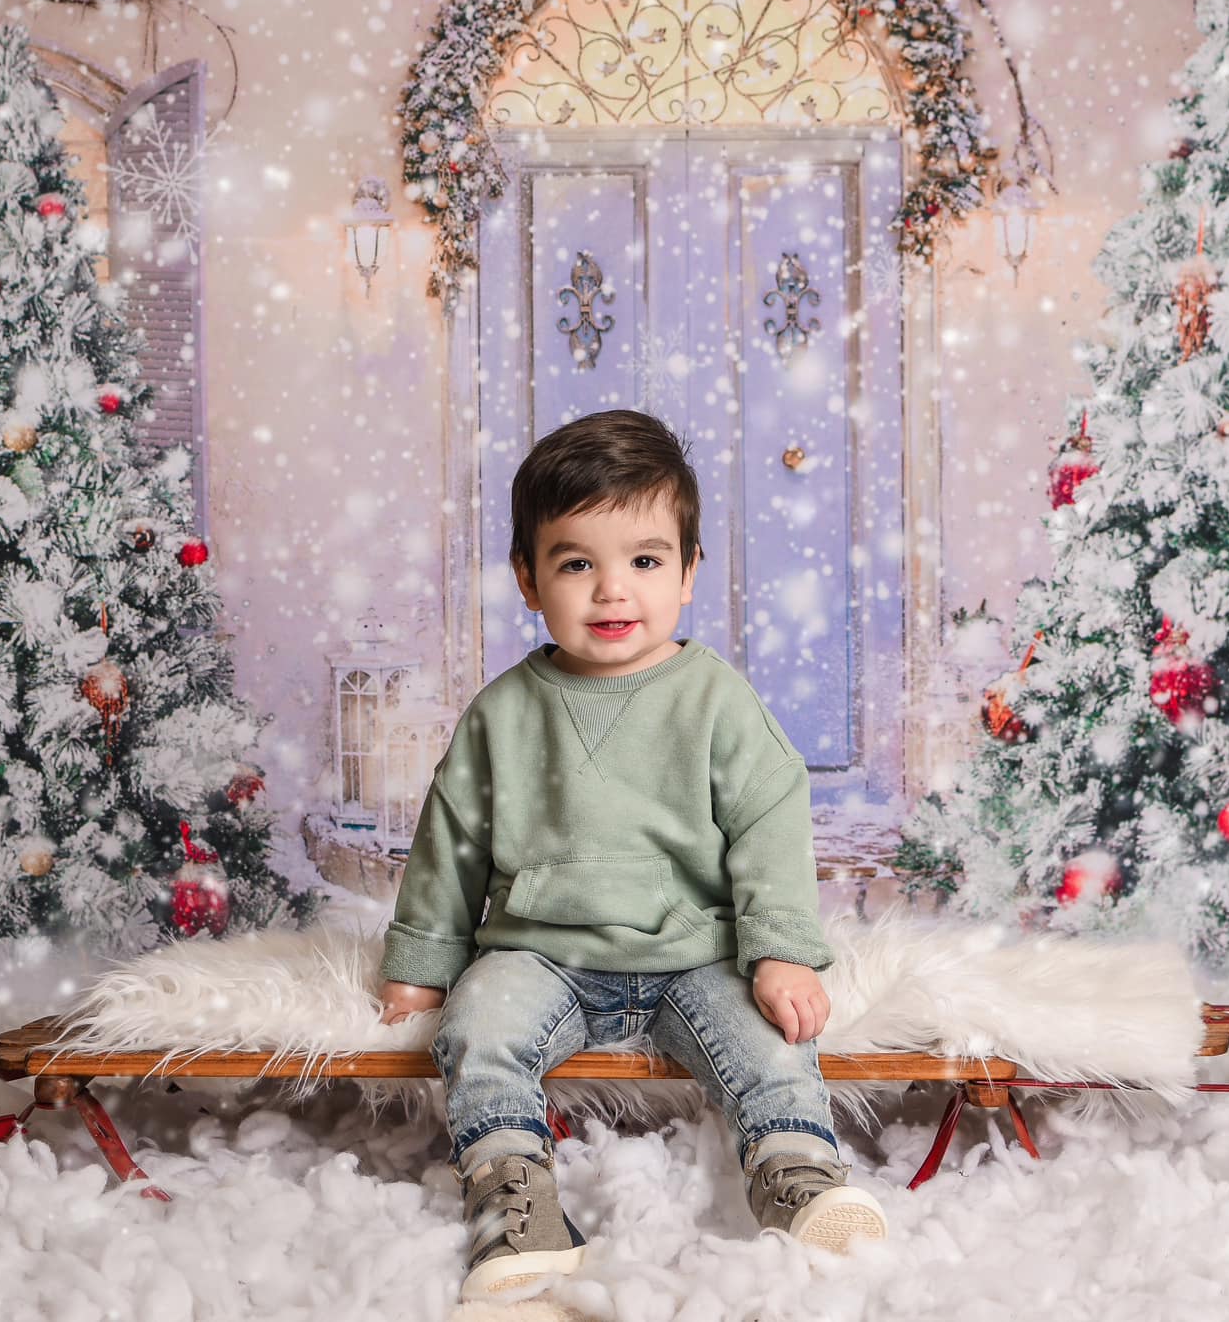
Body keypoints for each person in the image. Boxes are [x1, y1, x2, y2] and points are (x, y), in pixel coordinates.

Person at [376, 408, 888, 1302]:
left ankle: (798, 1172)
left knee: (771, 1044)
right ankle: (514, 1202)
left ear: (689, 574)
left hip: (695, 953)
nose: (614, 591)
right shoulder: (502, 713)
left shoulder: (718, 701)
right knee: (478, 1029)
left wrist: (778, 954)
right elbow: (450, 840)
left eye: (645, 562)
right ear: (528, 579)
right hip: (543, 954)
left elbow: (770, 823)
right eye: (578, 564)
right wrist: (422, 964)